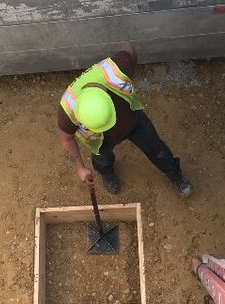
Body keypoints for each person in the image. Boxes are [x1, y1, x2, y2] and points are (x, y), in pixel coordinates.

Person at [57, 41, 193, 196]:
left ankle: (175, 175)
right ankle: (107, 172)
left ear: (107, 95)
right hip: (99, 139)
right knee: (102, 159)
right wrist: (80, 168)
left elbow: (129, 47)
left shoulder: (118, 69)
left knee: (157, 149)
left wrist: (132, 71)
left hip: (132, 121)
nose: (109, 127)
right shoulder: (67, 110)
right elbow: (67, 139)